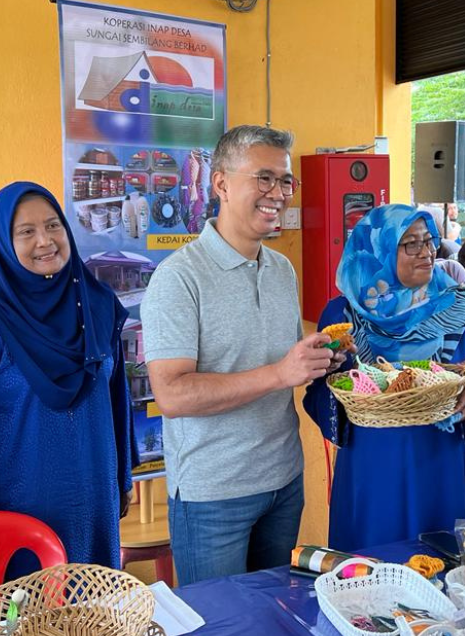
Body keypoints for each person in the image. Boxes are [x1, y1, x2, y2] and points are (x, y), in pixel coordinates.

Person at [141, 125, 340, 585]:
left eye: (286, 181)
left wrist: (323, 360)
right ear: (221, 184)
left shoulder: (280, 270)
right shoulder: (178, 279)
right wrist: (278, 373)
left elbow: (287, 366)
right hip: (213, 496)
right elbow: (172, 394)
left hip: (284, 483)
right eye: (264, 178)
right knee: (220, 625)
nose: (278, 193)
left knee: (273, 618)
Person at [0, 182, 135, 576]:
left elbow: (118, 398)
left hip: (95, 503)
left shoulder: (97, 305)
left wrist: (123, 477)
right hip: (16, 525)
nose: (45, 241)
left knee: (92, 613)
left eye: (53, 226)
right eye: (26, 232)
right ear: (2, 242)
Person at [302, 204, 465, 550]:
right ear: (381, 250)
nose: (427, 252)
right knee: (369, 579)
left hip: (443, 467)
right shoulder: (343, 313)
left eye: (429, 241)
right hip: (370, 469)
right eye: (410, 244)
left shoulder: (462, 307)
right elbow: (317, 393)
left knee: (445, 574)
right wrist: (334, 382)